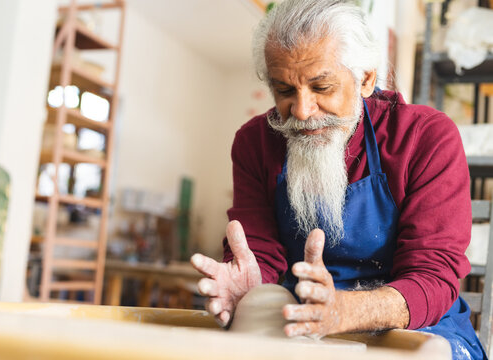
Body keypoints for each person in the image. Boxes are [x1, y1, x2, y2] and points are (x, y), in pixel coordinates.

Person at [190, 0, 487, 359]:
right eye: (284, 91)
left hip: (418, 324)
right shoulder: (255, 143)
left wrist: (343, 311)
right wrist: (248, 284)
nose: (301, 111)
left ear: (365, 79)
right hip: (305, 317)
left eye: (321, 88)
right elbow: (260, 255)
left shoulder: (424, 138)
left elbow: (433, 277)